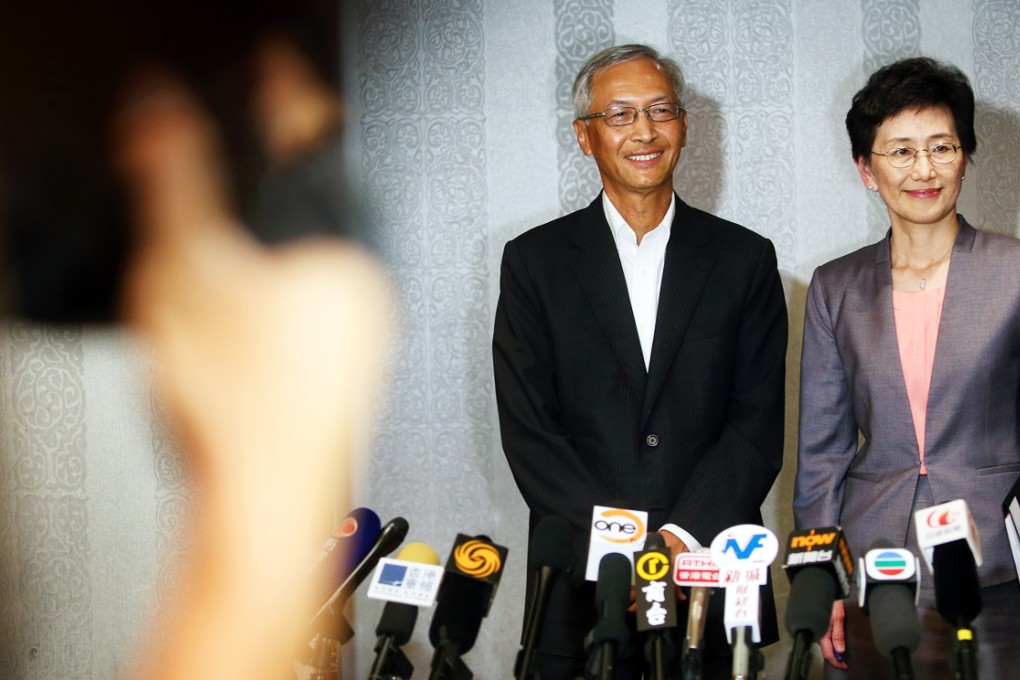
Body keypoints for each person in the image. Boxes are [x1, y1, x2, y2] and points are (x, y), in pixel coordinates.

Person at [492, 44, 787, 678]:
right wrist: (621, 550)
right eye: (620, 114)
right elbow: (531, 432)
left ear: (684, 125)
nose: (644, 131)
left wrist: (678, 541)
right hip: (580, 584)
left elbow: (756, 426)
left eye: (660, 110)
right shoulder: (534, 262)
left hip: (709, 574)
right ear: (585, 136)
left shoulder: (745, 259)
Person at [794, 56, 1020, 678]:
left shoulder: (1013, 272)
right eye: (900, 151)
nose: (924, 169)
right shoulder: (835, 286)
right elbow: (822, 454)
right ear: (866, 170)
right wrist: (819, 577)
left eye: (942, 147)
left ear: (965, 157)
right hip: (874, 566)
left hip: (997, 563)